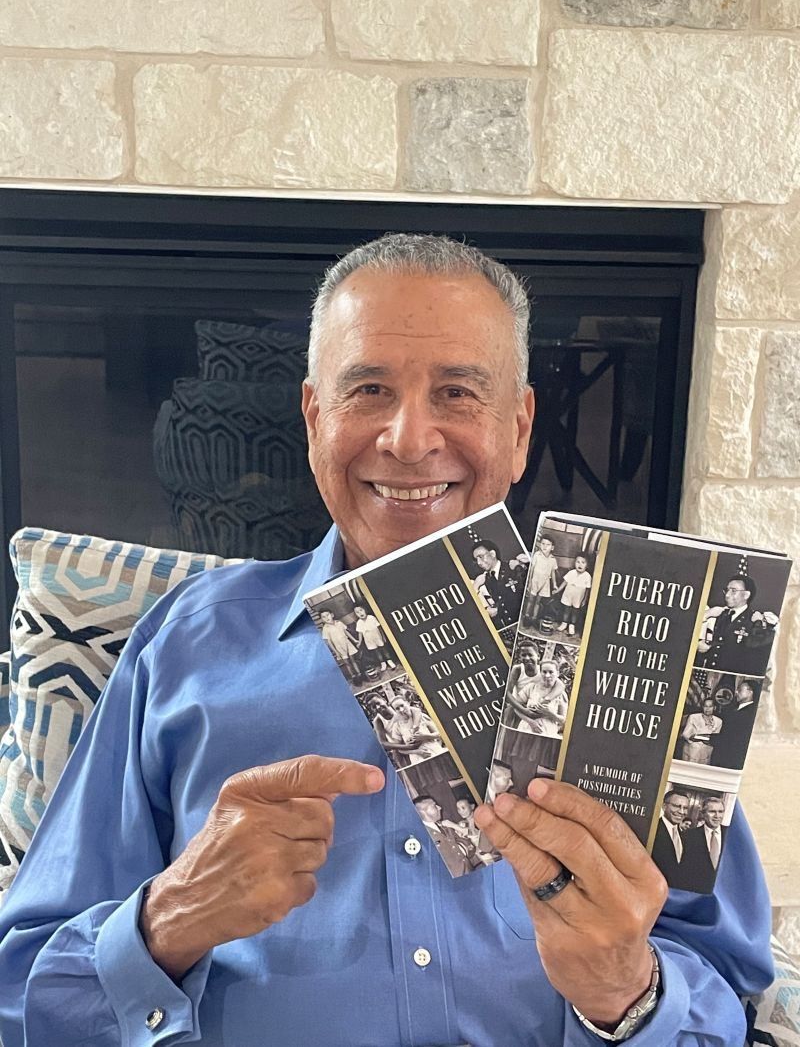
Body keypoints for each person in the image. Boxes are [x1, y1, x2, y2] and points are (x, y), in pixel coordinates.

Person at [0, 233, 772, 1046]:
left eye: (457, 394)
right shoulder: (186, 644)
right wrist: (169, 920)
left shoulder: (629, 654)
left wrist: (625, 990)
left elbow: (736, 985)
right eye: (368, 389)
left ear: (519, 427)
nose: (408, 440)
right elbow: (21, 992)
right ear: (313, 419)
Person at [696, 574, 778, 674]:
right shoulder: (718, 613)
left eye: (733, 591)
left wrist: (759, 624)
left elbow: (754, 650)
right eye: (727, 590)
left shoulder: (755, 619)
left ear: (746, 595)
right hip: (707, 674)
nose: (727, 595)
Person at [471, 538, 528, 629]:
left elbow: (522, 597)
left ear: (493, 554)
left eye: (481, 557)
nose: (478, 563)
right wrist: (475, 587)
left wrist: (498, 610)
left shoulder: (513, 568)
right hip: (507, 625)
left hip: (522, 623)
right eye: (476, 559)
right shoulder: (484, 579)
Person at [412, 795, 473, 878]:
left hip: (469, 870)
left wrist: (462, 849)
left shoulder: (444, 825)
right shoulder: (421, 837)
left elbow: (469, 845)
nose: (439, 807)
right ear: (422, 812)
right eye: (434, 806)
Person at [508, 658, 568, 737]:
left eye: (551, 672)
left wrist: (550, 713)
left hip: (547, 732)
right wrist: (531, 722)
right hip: (526, 729)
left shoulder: (561, 694)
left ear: (557, 673)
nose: (547, 675)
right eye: (544, 672)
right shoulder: (531, 687)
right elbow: (516, 708)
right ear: (540, 672)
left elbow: (563, 721)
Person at [680, 797, 729, 895]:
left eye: (720, 811)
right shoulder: (687, 837)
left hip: (724, 895)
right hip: (695, 894)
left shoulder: (732, 835)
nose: (717, 816)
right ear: (703, 814)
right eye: (712, 811)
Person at [713, 679, 758, 768]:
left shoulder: (750, 714)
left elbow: (733, 738)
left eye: (740, 690)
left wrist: (711, 738)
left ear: (750, 692)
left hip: (730, 760)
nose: (736, 692)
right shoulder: (735, 710)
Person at [651, 790, 690, 890]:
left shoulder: (686, 836)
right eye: (677, 806)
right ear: (664, 806)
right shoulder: (652, 830)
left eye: (685, 808)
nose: (681, 812)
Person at [523, 533, 559, 626]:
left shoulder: (552, 559)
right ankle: (527, 617)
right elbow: (531, 569)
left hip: (545, 583)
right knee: (531, 600)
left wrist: (554, 584)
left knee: (538, 602)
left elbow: (553, 573)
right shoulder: (537, 555)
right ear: (539, 544)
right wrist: (529, 581)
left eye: (548, 545)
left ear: (552, 547)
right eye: (543, 543)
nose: (545, 546)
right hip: (535, 581)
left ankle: (534, 618)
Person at [319, 607, 361, 683]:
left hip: (347, 643)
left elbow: (346, 632)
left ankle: (359, 674)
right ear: (322, 619)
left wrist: (354, 640)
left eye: (327, 615)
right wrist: (336, 652)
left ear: (332, 615)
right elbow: (329, 642)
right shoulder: (325, 629)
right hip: (339, 648)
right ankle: (354, 677)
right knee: (347, 663)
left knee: (353, 660)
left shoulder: (339, 623)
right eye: (323, 617)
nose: (326, 618)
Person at [556, 551, 592, 636]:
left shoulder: (587, 576)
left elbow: (587, 590)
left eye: (583, 562)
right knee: (566, 610)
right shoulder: (571, 573)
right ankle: (564, 624)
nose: (580, 564)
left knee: (575, 612)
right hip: (569, 595)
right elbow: (564, 582)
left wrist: (584, 600)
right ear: (574, 563)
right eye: (577, 562)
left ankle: (572, 626)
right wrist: (557, 590)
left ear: (587, 565)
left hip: (578, 597)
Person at [353, 604, 395, 673]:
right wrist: (359, 642)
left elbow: (379, 628)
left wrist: (383, 637)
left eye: (361, 610)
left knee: (384, 650)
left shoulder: (371, 618)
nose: (360, 613)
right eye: (357, 612)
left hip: (378, 637)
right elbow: (360, 633)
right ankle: (383, 663)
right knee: (377, 652)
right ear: (355, 614)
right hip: (369, 641)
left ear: (365, 610)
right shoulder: (359, 623)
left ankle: (389, 661)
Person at [679, 697, 723, 765]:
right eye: (705, 706)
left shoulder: (719, 721)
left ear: (714, 707)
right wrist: (699, 737)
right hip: (692, 753)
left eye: (710, 706)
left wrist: (707, 739)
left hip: (707, 754)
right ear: (702, 707)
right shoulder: (693, 717)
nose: (707, 709)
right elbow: (685, 734)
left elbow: (715, 739)